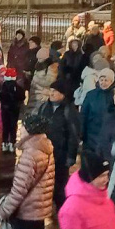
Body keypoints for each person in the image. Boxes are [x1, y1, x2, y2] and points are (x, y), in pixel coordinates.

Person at [38, 80, 80, 208]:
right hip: (44, 153)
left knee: (59, 184)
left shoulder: (69, 110)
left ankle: (61, 208)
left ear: (63, 94)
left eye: (55, 91)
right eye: (51, 90)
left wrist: (70, 156)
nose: (52, 93)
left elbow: (74, 135)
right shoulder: (44, 107)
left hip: (60, 154)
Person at [80, 68, 114, 153]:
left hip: (108, 135)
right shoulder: (91, 95)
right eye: (101, 80)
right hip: (91, 134)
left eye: (106, 80)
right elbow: (83, 114)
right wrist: (81, 133)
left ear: (112, 81)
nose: (103, 82)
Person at [0, 68, 25, 152]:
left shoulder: (3, 86)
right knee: (13, 126)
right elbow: (22, 97)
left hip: (5, 109)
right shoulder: (17, 86)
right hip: (14, 109)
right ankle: (12, 143)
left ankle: (4, 143)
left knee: (5, 126)